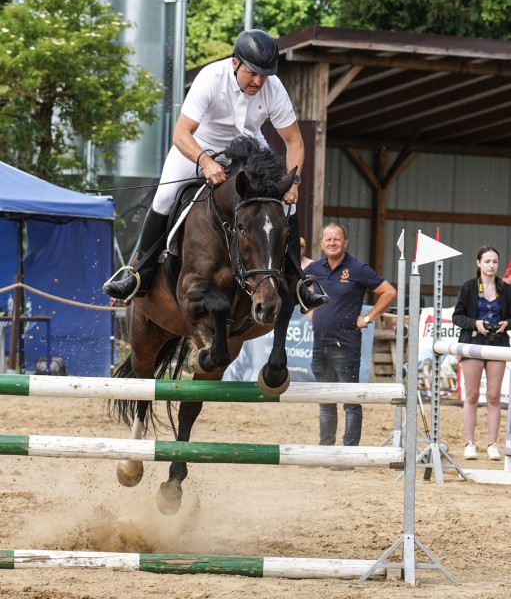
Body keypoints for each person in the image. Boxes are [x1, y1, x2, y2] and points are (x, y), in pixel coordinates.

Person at [103, 29, 329, 313]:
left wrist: (294, 182)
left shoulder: (273, 87)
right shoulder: (211, 78)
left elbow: (294, 141)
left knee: (286, 204)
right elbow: (181, 133)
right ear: (235, 63)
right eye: (252, 73)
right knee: (164, 196)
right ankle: (139, 274)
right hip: (201, 145)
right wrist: (205, 162)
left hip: (248, 147)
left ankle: (298, 284)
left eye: (264, 74)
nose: (258, 81)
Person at [308, 222, 396, 452]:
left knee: (350, 401)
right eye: (328, 239)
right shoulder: (315, 268)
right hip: (320, 343)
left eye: (337, 239)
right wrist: (307, 310)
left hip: (346, 345)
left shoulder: (357, 268)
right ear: (321, 244)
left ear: (345, 243)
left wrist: (367, 318)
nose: (332, 243)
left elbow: (389, 292)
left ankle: (349, 454)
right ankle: (326, 451)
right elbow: (297, 289)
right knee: (326, 402)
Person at [452, 245, 511, 461]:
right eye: (487, 261)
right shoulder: (468, 287)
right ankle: (470, 443)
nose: (491, 265)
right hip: (473, 344)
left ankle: (492, 444)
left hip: (498, 345)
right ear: (478, 263)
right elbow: (457, 317)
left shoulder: (505, 289)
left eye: (495, 261)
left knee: (494, 397)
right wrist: (475, 323)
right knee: (472, 395)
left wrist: (506, 323)